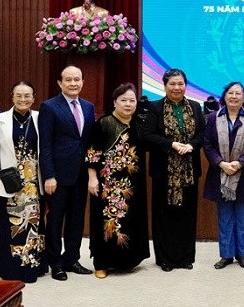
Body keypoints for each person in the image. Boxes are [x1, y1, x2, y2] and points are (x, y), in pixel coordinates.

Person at [141, 68, 204, 272]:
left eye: (180, 84)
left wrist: (192, 145)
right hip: (164, 172)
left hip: (188, 171)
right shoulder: (154, 107)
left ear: (186, 85)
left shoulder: (195, 107)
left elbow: (202, 134)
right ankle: (165, 259)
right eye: (172, 84)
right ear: (165, 85)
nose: (177, 87)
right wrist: (172, 144)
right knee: (164, 215)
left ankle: (185, 258)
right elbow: (147, 135)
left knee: (186, 215)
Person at [86, 83, 149, 278]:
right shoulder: (104, 123)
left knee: (131, 221)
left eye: (132, 100)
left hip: (133, 184)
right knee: (106, 222)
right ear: (115, 102)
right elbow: (92, 153)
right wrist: (92, 178)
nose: (128, 104)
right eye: (123, 100)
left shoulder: (139, 123)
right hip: (107, 184)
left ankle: (126, 262)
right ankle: (101, 264)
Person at [39, 65, 95, 281]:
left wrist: (92, 174)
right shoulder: (49, 107)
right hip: (58, 177)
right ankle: (55, 262)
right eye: (68, 80)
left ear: (82, 81)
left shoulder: (88, 107)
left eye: (77, 79)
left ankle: (71, 258)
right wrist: (49, 175)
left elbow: (88, 142)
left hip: (81, 176)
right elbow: (46, 145)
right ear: (60, 83)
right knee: (55, 221)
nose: (73, 83)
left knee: (76, 219)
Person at [0, 81, 47, 282]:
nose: (23, 99)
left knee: (33, 224)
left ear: (33, 98)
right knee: (12, 225)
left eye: (27, 96)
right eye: (19, 95)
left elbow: (45, 150)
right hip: (10, 182)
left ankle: (32, 267)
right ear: (12, 96)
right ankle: (10, 269)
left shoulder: (41, 118)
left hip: (33, 183)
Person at [203, 82, 244, 270]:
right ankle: (226, 255)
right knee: (225, 216)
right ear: (224, 96)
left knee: (243, 217)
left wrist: (240, 163)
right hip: (220, 174)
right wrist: (221, 163)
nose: (234, 96)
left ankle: (242, 254)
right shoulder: (213, 118)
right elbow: (208, 145)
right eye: (231, 93)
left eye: (238, 93)